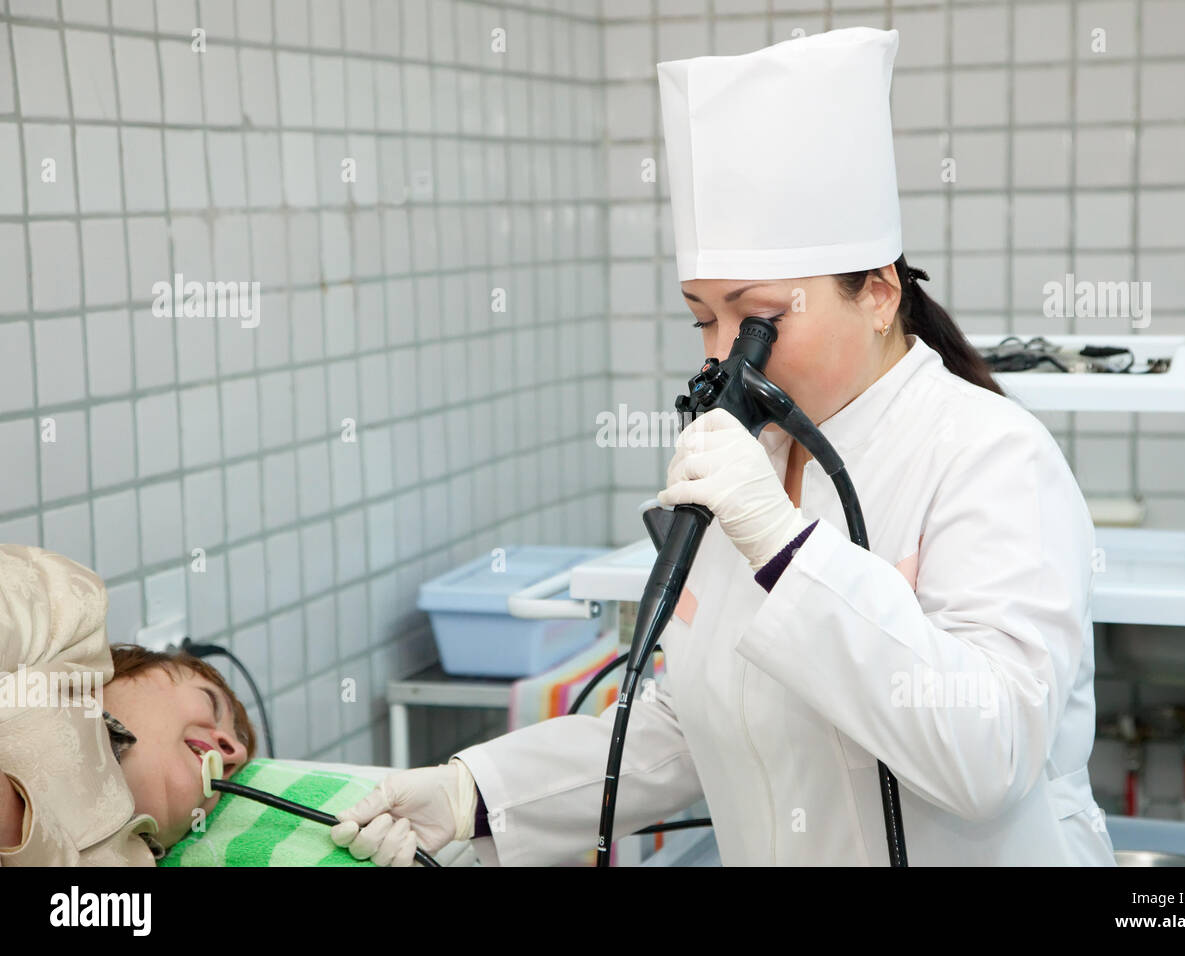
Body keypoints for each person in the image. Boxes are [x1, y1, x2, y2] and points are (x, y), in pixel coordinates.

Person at [331, 26, 1115, 867]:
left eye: (757, 318)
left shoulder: (992, 456)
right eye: (704, 319)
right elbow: (696, 723)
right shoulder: (757, 462)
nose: (721, 357)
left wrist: (785, 548)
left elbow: (989, 756)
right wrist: (475, 793)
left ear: (878, 293)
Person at [0, 544, 254, 865]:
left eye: (230, 779)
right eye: (210, 702)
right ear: (137, 668)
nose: (235, 753)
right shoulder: (70, 613)